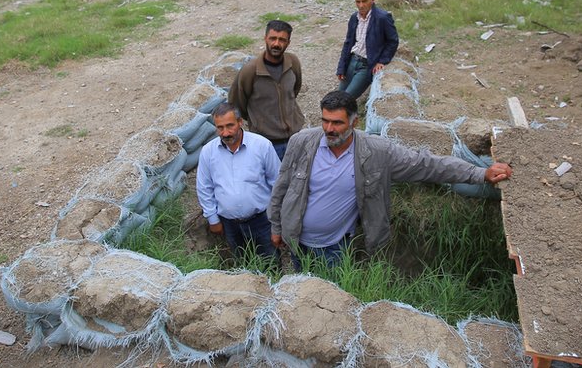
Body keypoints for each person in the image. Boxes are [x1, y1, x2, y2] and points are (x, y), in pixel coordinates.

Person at [269, 91, 512, 269]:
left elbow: (426, 165)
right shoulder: (301, 142)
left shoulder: (377, 153)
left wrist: (480, 173)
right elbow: (282, 186)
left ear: (355, 122)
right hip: (297, 240)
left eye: (337, 122)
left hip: (336, 249)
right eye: (325, 120)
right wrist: (277, 227)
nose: (329, 128)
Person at [196, 103, 281, 265]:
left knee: (271, 263)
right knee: (242, 266)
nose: (226, 133)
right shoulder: (208, 152)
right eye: (220, 128)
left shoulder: (262, 146)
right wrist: (213, 219)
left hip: (262, 221)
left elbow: (277, 183)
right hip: (229, 224)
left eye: (230, 126)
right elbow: (204, 187)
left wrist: (278, 221)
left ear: (240, 122)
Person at [229, 20, 305, 160]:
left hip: (295, 137)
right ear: (265, 39)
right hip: (267, 142)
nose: (276, 44)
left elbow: (294, 91)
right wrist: (258, 122)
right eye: (272, 38)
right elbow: (237, 103)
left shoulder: (293, 63)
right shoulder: (250, 71)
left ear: (288, 42)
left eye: (282, 39)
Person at [336, 0, 400, 99]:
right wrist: (341, 67)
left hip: (367, 65)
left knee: (347, 99)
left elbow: (393, 41)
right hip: (352, 60)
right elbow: (348, 43)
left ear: (372, 0)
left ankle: (350, 116)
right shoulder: (354, 18)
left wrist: (382, 61)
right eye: (358, 2)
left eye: (364, 1)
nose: (361, 5)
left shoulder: (382, 18)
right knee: (338, 96)